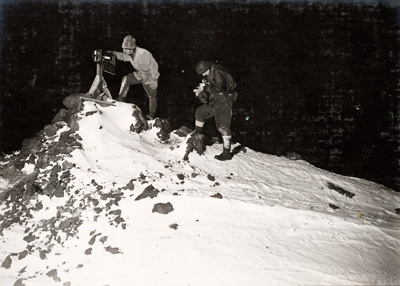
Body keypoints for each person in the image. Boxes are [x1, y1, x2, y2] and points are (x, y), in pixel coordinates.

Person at [194, 60, 237, 161]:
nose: (203, 74)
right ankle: (196, 137)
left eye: (204, 72)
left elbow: (219, 88)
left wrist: (205, 88)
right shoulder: (213, 71)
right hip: (217, 97)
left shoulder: (217, 72)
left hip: (225, 98)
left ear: (207, 68)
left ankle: (227, 153)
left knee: (222, 126)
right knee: (200, 112)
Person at [112, 35, 160, 120]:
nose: (125, 51)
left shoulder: (143, 53)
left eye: (127, 49)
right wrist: (113, 54)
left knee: (152, 95)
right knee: (126, 79)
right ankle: (120, 99)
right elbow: (122, 56)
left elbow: (154, 65)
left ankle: (151, 115)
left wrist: (154, 80)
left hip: (150, 75)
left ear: (133, 48)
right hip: (140, 74)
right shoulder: (129, 55)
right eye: (124, 49)